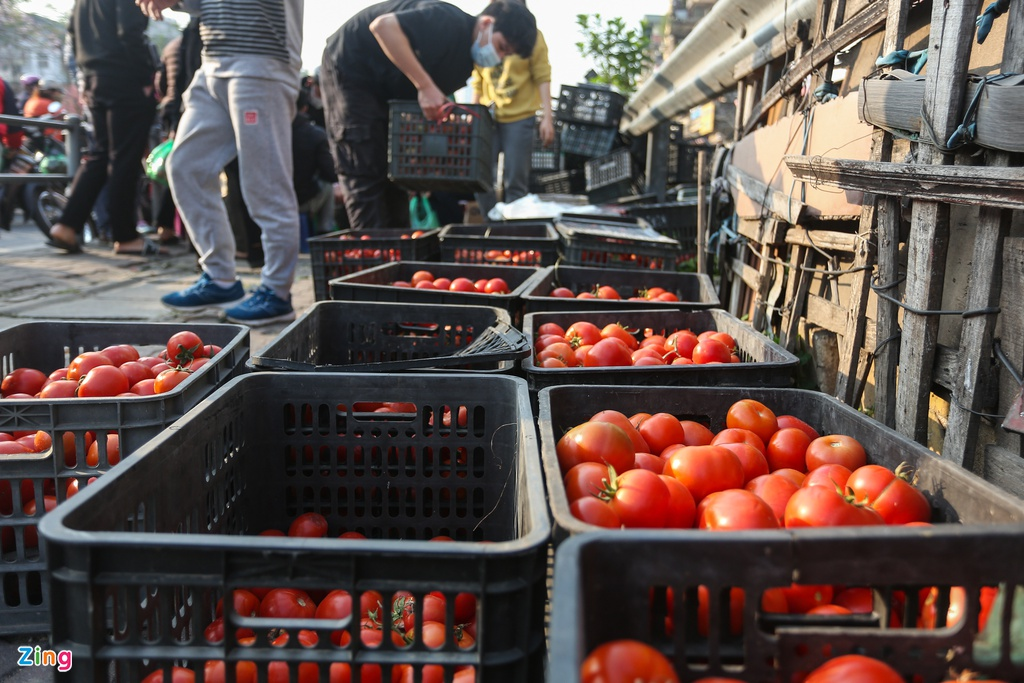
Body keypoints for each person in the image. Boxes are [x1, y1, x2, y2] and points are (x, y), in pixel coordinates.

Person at [140, 0, 304, 327]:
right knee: (185, 167)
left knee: (265, 184)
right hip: (212, 61)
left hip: (261, 60)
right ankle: (220, 279)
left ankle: (277, 293)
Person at [320, 0, 538, 231]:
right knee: (363, 165)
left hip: (388, 91)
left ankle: (397, 250)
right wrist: (425, 85)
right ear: (486, 23)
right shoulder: (447, 21)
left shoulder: (465, 65)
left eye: (507, 55)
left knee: (393, 173)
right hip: (352, 70)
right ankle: (373, 251)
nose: (499, 57)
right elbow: (383, 26)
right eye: (502, 47)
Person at [46, 0, 159, 256]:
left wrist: (84, 78)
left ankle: (66, 225)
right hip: (126, 78)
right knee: (125, 158)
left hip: (95, 79)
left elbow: (73, 36)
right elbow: (129, 31)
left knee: (100, 154)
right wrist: (145, 77)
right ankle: (126, 236)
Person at [470, 0, 553, 216]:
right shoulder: (486, 33)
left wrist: (547, 117)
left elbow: (542, 75)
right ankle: (491, 223)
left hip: (520, 116)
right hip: (488, 115)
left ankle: (515, 230)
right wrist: (473, 110)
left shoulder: (532, 37)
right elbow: (478, 77)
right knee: (480, 175)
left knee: (515, 179)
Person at [293, 88, 337, 236]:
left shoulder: (272, 132)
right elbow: (330, 173)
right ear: (305, 108)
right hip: (304, 199)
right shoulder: (315, 134)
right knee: (329, 187)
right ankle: (325, 230)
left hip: (276, 199)